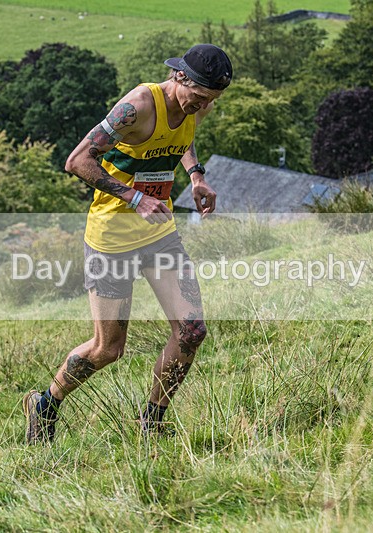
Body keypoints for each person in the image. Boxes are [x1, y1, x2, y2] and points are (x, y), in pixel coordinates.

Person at [24, 44, 232, 443]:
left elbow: (181, 135)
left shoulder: (194, 104)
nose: (204, 106)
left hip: (159, 235)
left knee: (191, 331)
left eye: (212, 101)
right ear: (180, 78)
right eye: (200, 97)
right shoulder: (137, 106)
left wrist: (196, 176)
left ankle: (151, 421)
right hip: (112, 240)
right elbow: (78, 161)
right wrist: (136, 198)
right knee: (107, 349)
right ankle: (45, 404)